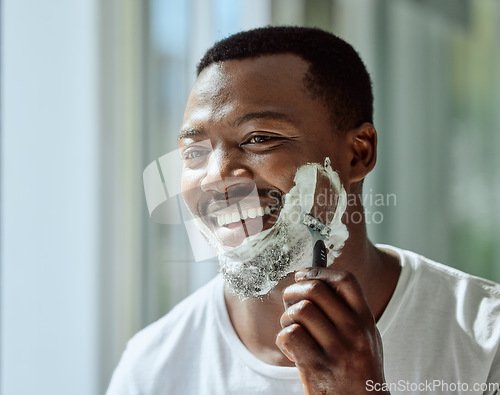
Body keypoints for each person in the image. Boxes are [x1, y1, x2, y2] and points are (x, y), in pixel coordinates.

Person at [107, 26, 500, 394]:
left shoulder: (485, 341)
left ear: (358, 153)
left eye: (258, 138)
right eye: (195, 152)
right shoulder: (152, 368)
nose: (217, 179)